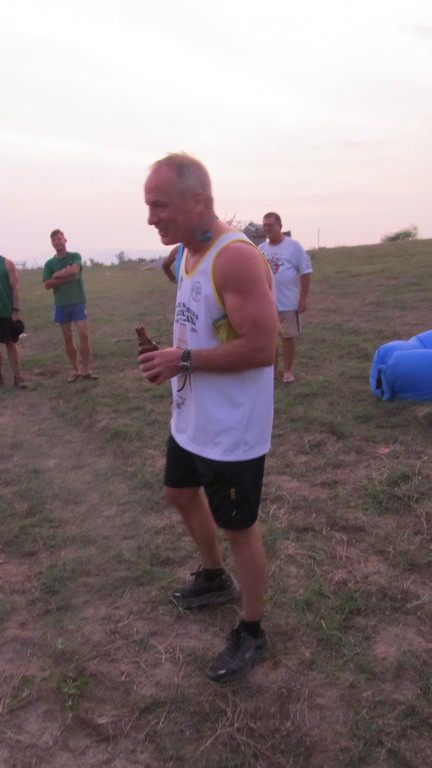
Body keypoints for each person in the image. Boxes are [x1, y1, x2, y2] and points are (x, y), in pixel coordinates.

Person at [139, 153, 278, 683]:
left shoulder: (234, 258)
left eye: (160, 205)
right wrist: (174, 358)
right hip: (191, 416)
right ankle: (215, 579)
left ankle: (252, 630)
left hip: (231, 430)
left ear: (197, 200)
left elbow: (263, 348)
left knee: (239, 527)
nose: (151, 218)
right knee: (178, 491)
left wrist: (184, 359)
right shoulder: (187, 251)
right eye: (148, 206)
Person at [259, 212, 312, 382]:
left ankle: (288, 371)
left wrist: (303, 298)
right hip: (267, 304)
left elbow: (305, 271)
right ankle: (273, 371)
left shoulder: (293, 246)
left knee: (288, 337)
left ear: (280, 226)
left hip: (288, 302)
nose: (267, 229)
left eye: (270, 225)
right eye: (264, 226)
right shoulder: (261, 249)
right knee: (270, 339)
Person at [43, 230, 98, 382]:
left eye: (59, 239)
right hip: (61, 304)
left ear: (65, 240)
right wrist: (66, 277)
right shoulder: (49, 264)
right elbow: (47, 284)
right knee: (67, 337)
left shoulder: (75, 256)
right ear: (52, 244)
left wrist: (56, 275)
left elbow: (75, 270)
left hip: (78, 301)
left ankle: (86, 369)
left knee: (83, 334)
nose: (57, 242)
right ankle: (76, 370)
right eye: (54, 240)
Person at [0, 255, 26, 388]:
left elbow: (15, 288)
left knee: (10, 343)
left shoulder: (7, 264)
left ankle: (17, 376)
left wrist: (15, 310)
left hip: (6, 312)